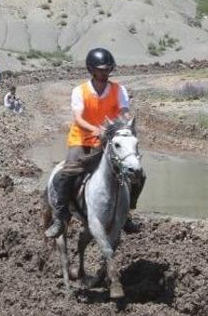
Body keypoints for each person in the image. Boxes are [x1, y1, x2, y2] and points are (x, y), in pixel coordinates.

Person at [44, 48, 145, 238]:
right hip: (81, 140)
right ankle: (59, 217)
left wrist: (123, 124)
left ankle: (127, 215)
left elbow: (124, 111)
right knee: (66, 173)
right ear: (91, 70)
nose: (105, 73)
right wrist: (96, 130)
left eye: (108, 69)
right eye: (101, 70)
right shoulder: (79, 91)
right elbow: (78, 118)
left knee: (138, 173)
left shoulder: (118, 89)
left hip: (108, 141)